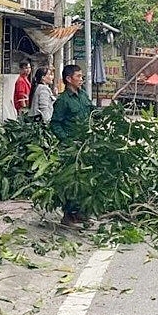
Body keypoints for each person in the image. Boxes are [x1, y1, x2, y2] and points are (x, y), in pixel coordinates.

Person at [49, 63, 94, 225]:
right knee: (70, 180)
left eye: (82, 76)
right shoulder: (63, 100)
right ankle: (68, 214)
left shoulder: (83, 96)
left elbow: (92, 113)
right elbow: (55, 123)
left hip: (86, 145)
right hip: (70, 147)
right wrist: (67, 140)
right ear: (68, 79)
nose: (81, 79)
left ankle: (80, 212)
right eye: (78, 76)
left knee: (85, 179)